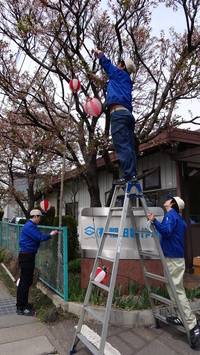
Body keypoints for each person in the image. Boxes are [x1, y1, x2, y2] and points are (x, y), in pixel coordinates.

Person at [147, 196, 200, 347]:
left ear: (173, 204)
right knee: (173, 289)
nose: (167, 199)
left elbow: (167, 231)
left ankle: (192, 325)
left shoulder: (170, 215)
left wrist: (153, 220)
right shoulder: (178, 218)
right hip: (175, 259)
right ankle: (180, 316)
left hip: (172, 260)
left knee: (177, 290)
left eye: (169, 199)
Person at [92, 49, 137, 185]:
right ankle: (132, 173)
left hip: (118, 114)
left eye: (119, 63)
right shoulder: (126, 80)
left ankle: (128, 175)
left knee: (122, 145)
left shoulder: (118, 73)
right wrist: (98, 80)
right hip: (127, 115)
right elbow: (111, 84)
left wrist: (100, 54)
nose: (117, 64)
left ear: (123, 66)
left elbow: (107, 65)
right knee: (129, 146)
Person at [16, 209, 58, 316]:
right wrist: (51, 235)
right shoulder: (30, 226)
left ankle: (23, 303)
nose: (40, 219)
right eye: (39, 217)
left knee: (27, 281)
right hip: (26, 256)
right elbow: (39, 238)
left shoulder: (31, 226)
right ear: (34, 216)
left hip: (27, 255)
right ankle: (21, 307)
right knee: (25, 282)